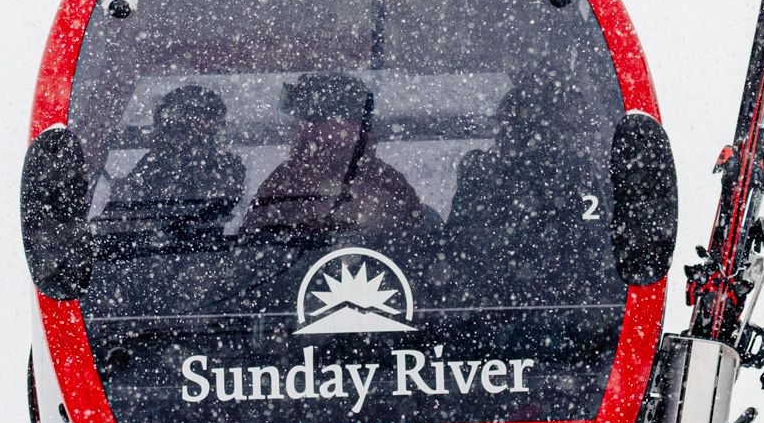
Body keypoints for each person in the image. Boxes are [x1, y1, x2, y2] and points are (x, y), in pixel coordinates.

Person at [444, 72, 611, 298]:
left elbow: (593, 242)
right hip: (499, 301)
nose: (511, 136)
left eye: (524, 128)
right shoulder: (480, 171)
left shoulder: (572, 171)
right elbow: (456, 243)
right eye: (508, 126)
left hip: (553, 302)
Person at [241, 73, 424, 238]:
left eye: (306, 118)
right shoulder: (386, 180)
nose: (299, 128)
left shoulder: (285, 181)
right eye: (300, 120)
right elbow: (251, 251)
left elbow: (251, 251)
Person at [106, 84, 246, 237]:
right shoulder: (153, 165)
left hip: (192, 252)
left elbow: (198, 218)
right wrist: (123, 200)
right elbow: (116, 232)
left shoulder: (226, 168)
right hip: (173, 253)